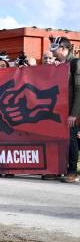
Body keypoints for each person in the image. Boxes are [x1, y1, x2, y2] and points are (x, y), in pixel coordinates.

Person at [50, 36, 80, 183]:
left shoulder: (76, 63)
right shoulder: (60, 65)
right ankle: (57, 169)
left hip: (71, 111)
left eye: (55, 50)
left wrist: (74, 113)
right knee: (58, 140)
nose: (53, 53)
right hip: (59, 110)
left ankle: (72, 171)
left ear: (64, 48)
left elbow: (79, 89)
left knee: (71, 139)